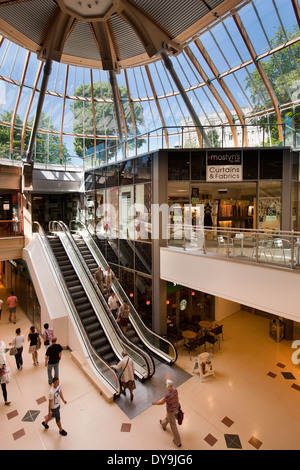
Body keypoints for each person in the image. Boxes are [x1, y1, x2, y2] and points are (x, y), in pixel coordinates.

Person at [152, 379, 182, 448]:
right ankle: (163, 424)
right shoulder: (175, 390)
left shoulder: (167, 395)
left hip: (170, 411)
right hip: (175, 408)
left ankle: (178, 442)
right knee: (168, 418)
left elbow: (161, 403)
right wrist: (177, 404)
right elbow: (177, 398)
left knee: (173, 425)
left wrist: (155, 403)